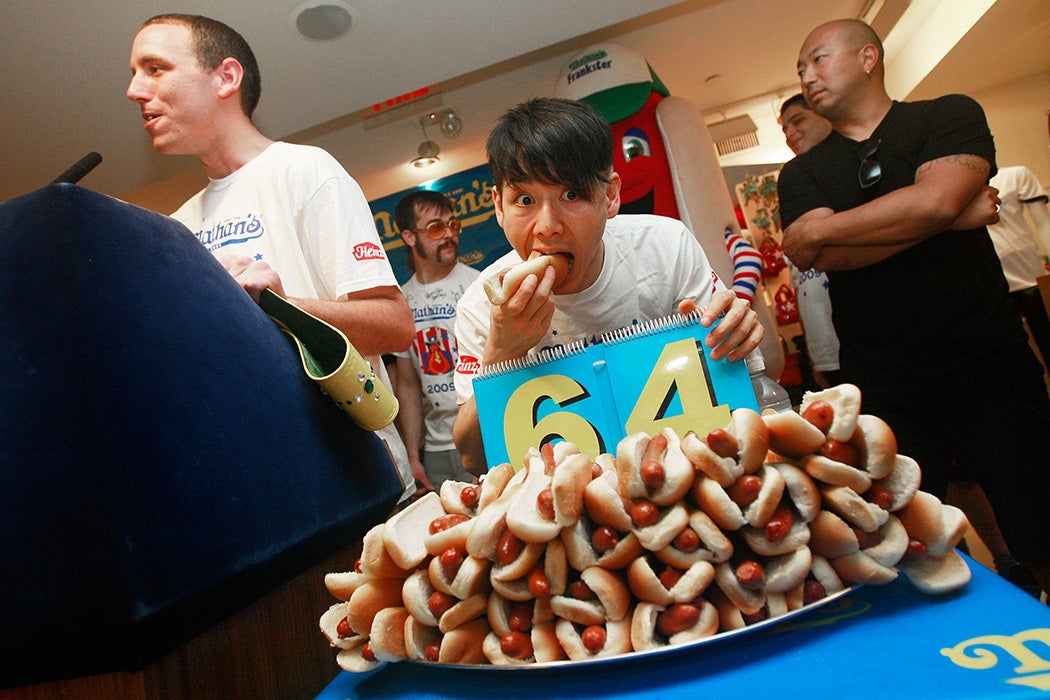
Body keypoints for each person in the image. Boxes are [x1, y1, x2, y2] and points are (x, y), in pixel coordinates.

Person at [778, 18, 1050, 598]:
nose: (807, 76)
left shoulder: (946, 115)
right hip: (885, 384)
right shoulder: (802, 172)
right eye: (801, 69)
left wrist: (918, 212)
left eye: (818, 60)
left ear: (869, 57)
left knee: (1041, 523)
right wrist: (949, 213)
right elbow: (812, 252)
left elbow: (919, 208)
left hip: (990, 364)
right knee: (907, 547)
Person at [126, 14, 420, 501]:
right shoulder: (174, 229)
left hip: (360, 490)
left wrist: (281, 307)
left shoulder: (304, 170)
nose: (135, 90)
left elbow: (395, 324)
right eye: (135, 73)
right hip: (261, 495)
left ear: (226, 77)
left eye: (154, 68)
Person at [452, 97, 763, 474]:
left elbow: (744, 394)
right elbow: (472, 458)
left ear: (611, 195)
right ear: (499, 207)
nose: (547, 225)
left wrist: (734, 336)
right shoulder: (481, 305)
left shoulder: (665, 247)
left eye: (572, 195)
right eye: (525, 199)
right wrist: (502, 353)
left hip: (680, 473)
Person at [392, 190, 479, 491]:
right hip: (436, 450)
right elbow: (408, 383)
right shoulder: (401, 301)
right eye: (435, 227)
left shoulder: (478, 286)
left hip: (481, 437)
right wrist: (413, 455)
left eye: (452, 225)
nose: (449, 235)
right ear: (409, 237)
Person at [778, 93, 841, 388]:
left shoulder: (843, 178)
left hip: (858, 340)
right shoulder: (795, 183)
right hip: (825, 351)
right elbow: (800, 288)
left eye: (797, 121)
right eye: (784, 128)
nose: (790, 133)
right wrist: (816, 360)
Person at [987, 165, 1050, 369]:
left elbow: (1043, 223)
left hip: (1028, 277)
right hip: (991, 284)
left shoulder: (1014, 176)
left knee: (1046, 338)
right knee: (1011, 356)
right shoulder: (952, 190)